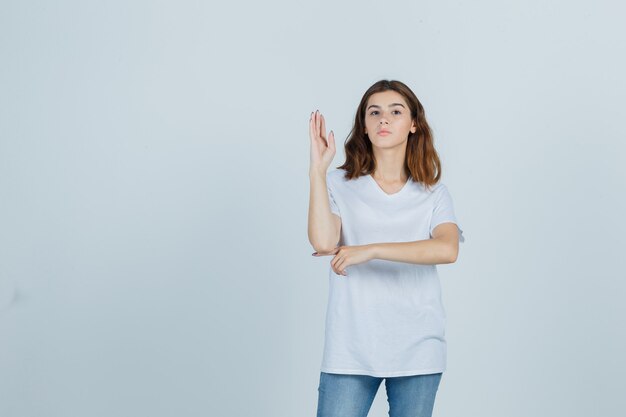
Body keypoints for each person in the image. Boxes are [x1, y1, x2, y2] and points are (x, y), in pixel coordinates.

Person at [307, 79, 465, 417]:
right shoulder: (338, 184)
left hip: (417, 346)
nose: (384, 119)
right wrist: (317, 172)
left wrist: (371, 249)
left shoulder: (432, 193)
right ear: (363, 126)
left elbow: (447, 249)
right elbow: (323, 242)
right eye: (374, 112)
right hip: (350, 346)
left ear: (413, 124)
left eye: (396, 112)